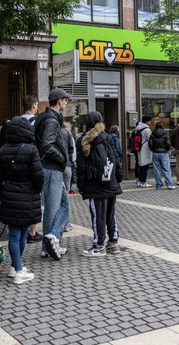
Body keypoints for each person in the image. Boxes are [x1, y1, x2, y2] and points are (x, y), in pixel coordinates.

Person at [0, 116, 44, 283]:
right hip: (28, 196)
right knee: (22, 234)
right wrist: (37, 191)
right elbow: (38, 177)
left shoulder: (2, 150)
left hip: (10, 195)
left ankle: (16, 266)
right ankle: (18, 271)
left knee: (15, 235)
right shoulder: (31, 150)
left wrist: (2, 194)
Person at [77, 112, 123, 256]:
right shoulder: (108, 137)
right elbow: (116, 159)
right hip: (111, 182)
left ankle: (99, 245)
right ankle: (113, 244)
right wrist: (118, 179)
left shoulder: (84, 140)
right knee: (110, 214)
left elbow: (81, 167)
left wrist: (82, 187)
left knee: (98, 215)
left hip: (94, 184)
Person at [34, 88, 71, 260]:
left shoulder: (46, 117)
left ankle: (50, 242)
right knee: (52, 209)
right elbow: (47, 146)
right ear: (59, 101)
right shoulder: (51, 120)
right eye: (65, 100)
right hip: (52, 168)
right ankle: (51, 240)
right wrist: (62, 159)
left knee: (64, 205)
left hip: (50, 168)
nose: (66, 103)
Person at [19, 95, 43, 243]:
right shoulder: (36, 122)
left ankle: (22, 228)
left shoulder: (16, 121)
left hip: (17, 160)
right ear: (34, 106)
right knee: (34, 196)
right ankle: (32, 232)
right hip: (32, 159)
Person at [149, 122, 175, 189]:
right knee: (166, 169)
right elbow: (168, 144)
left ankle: (159, 185)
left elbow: (150, 144)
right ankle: (169, 184)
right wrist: (166, 149)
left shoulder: (152, 134)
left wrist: (153, 149)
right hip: (164, 153)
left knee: (157, 170)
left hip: (155, 153)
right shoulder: (165, 134)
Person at [135, 116, 153, 188]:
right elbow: (150, 140)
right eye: (149, 121)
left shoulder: (138, 128)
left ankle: (139, 181)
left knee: (141, 166)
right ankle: (143, 182)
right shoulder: (147, 130)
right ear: (147, 122)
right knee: (145, 166)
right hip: (145, 149)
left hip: (139, 149)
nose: (150, 122)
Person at [62, 122, 77, 194]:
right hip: (67, 162)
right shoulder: (68, 134)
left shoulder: (59, 132)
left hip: (60, 163)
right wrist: (72, 159)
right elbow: (72, 148)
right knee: (67, 182)